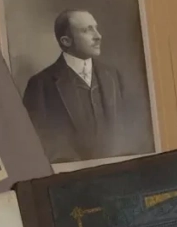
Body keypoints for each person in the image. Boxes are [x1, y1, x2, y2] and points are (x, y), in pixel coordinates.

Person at [22, 9, 133, 163]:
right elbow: (37, 143)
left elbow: (129, 132)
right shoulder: (40, 85)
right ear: (66, 41)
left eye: (96, 28)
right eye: (87, 30)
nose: (98, 36)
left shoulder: (113, 76)